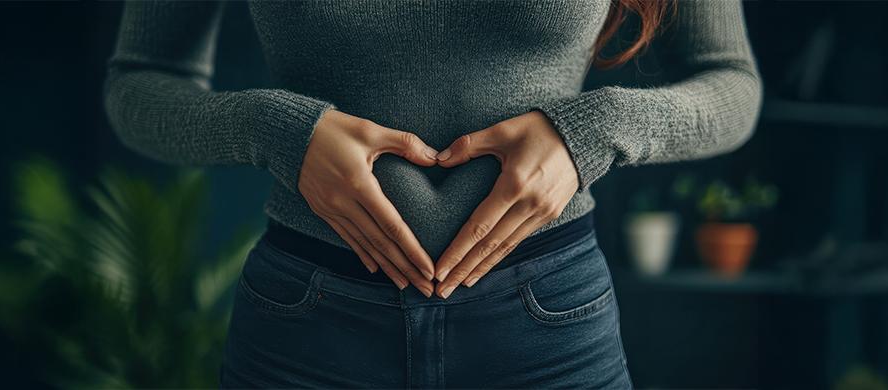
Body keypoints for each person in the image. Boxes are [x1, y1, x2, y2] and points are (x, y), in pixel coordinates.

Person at [104, 0, 761, 387]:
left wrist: (597, 128)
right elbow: (140, 82)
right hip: (310, 329)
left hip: (545, 329)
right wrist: (273, 128)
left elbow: (731, 83)